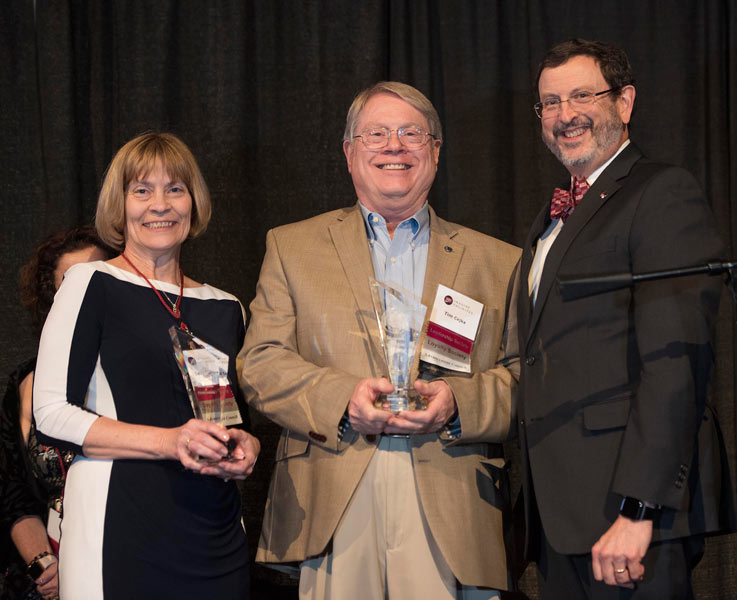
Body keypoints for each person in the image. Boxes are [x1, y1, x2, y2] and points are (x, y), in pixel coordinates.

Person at [239, 82, 520, 599]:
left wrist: (457, 402)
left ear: (435, 151)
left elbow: (525, 378)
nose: (395, 146)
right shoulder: (291, 246)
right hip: (333, 490)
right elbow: (260, 362)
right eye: (376, 134)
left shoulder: (498, 261)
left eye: (412, 133)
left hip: (452, 497)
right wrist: (341, 400)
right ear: (349, 153)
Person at [516, 39, 735, 599]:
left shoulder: (662, 193)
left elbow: (676, 363)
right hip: (562, 520)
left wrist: (639, 510)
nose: (565, 115)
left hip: (627, 517)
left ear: (626, 102)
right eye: (549, 102)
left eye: (582, 95)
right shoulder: (554, 216)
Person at [32, 132, 260, 599]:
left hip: (215, 529)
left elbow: (227, 418)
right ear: (120, 205)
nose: (160, 204)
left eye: (175, 189)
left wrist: (244, 443)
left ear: (194, 202)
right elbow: (51, 413)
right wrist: (169, 442)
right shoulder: (89, 283)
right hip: (120, 522)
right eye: (142, 190)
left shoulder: (226, 307)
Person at [0, 225, 112, 600]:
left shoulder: (139, 369)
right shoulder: (26, 383)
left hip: (126, 559)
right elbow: (11, 489)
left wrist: (82, 564)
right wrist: (45, 564)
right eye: (71, 283)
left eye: (97, 278)